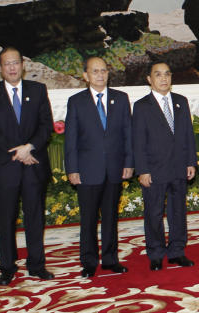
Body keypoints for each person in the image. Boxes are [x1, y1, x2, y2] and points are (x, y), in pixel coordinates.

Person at [0, 46, 54, 286]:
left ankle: (36, 265)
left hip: (34, 165)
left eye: (15, 63)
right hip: (6, 166)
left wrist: (29, 146)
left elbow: (46, 126)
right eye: (6, 64)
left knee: (35, 217)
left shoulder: (38, 90)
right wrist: (20, 151)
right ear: (0, 68)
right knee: (6, 219)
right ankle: (7, 267)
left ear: (23, 65)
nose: (12, 67)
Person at [64, 56, 133, 278]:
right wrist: (72, 169)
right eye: (95, 71)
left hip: (114, 169)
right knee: (89, 219)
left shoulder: (121, 99)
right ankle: (89, 261)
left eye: (104, 70)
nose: (100, 75)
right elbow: (71, 139)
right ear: (86, 76)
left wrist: (129, 163)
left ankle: (111, 259)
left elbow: (127, 135)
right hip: (87, 171)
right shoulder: (77, 102)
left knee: (111, 217)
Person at [132, 62, 197, 271]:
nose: (164, 78)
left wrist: (190, 162)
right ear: (150, 79)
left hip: (178, 167)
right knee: (154, 213)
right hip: (154, 169)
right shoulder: (142, 106)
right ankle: (156, 253)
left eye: (167, 74)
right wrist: (142, 170)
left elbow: (188, 134)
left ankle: (177, 251)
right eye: (158, 75)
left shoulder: (181, 102)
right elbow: (138, 141)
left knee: (178, 212)